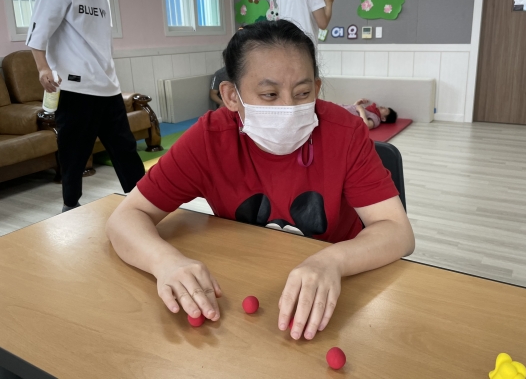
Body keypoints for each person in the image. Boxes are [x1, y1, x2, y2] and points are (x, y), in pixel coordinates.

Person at [106, 20, 414, 342]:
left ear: (317, 88)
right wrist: (165, 262)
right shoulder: (209, 139)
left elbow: (397, 231)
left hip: (339, 288)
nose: (289, 108)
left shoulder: (345, 133)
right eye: (269, 94)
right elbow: (126, 217)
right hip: (246, 288)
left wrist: (333, 261)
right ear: (231, 96)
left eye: (303, 93)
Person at [27, 0, 145, 213]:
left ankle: (144, 203)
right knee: (74, 155)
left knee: (126, 150)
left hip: (107, 85)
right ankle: (70, 207)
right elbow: (38, 31)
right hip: (76, 88)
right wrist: (42, 67)